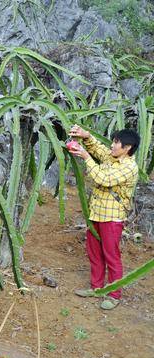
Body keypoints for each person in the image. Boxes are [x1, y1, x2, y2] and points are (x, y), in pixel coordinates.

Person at [67, 125, 140, 310]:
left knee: (111, 256)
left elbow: (103, 178)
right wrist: (86, 135)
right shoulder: (113, 157)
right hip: (97, 213)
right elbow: (98, 148)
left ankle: (114, 294)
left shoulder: (129, 167)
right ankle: (96, 288)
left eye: (116, 143)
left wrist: (85, 157)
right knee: (94, 253)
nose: (112, 146)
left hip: (112, 218)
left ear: (127, 148)